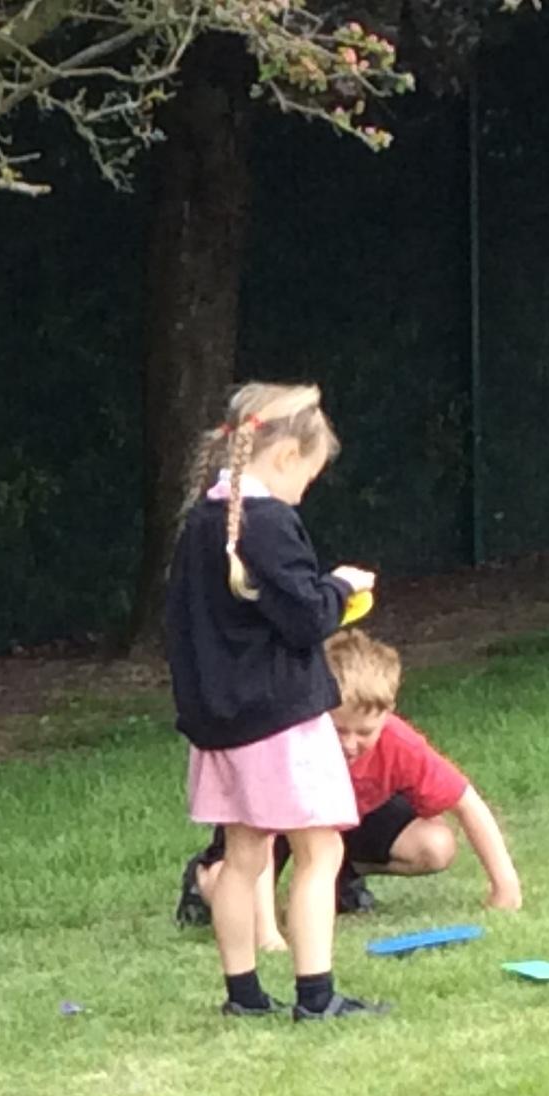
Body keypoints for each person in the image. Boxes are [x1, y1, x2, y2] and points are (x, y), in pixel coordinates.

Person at [164, 381, 387, 1021]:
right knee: (321, 851)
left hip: (219, 726)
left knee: (243, 856)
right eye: (307, 478)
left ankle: (245, 996)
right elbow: (305, 618)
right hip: (280, 721)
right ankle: (316, 996)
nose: (302, 493)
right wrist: (340, 588)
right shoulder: (268, 523)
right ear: (287, 455)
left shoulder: (200, 522)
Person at [323, 631, 522, 909]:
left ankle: (345, 872)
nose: (349, 744)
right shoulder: (293, 741)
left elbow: (467, 803)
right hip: (293, 824)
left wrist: (505, 887)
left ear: (388, 713)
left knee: (436, 846)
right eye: (338, 729)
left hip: (357, 820)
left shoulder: (400, 743)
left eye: (364, 732)